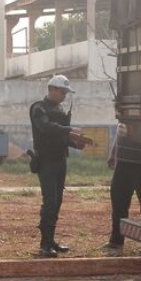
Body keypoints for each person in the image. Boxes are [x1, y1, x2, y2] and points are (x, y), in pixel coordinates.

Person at [29, 74, 86, 258]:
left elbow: (60, 136)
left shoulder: (60, 109)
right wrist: (70, 130)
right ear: (52, 89)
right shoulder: (39, 108)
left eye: (66, 93)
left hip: (60, 159)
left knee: (58, 201)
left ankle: (51, 240)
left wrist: (76, 143)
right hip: (46, 161)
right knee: (50, 201)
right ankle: (45, 243)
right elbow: (46, 128)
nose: (64, 96)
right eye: (62, 92)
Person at [107, 122, 141, 252]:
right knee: (118, 201)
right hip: (124, 162)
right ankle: (116, 242)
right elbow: (120, 130)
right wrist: (113, 153)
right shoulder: (126, 108)